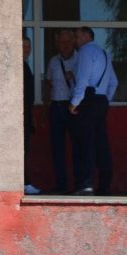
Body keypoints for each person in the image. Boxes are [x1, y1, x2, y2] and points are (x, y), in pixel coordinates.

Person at [69, 26, 118, 196]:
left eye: (76, 36)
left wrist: (74, 102)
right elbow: (114, 82)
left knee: (86, 143)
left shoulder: (85, 52)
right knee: (101, 144)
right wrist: (104, 99)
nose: (75, 40)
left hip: (88, 100)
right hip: (101, 100)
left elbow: (82, 79)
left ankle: (86, 184)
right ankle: (104, 185)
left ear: (86, 36)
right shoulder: (104, 53)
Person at [44, 29, 77, 194]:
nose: (65, 45)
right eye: (62, 42)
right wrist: (45, 107)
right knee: (57, 149)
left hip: (75, 109)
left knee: (78, 147)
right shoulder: (53, 61)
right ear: (57, 44)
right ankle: (61, 185)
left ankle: (80, 185)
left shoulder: (81, 59)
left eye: (68, 42)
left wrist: (74, 76)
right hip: (56, 108)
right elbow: (48, 84)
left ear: (74, 42)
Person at [23, 36, 41, 194]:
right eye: (23, 46)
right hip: (18, 116)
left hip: (26, 115)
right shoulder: (18, 67)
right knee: (20, 150)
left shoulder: (26, 67)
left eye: (29, 46)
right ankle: (24, 182)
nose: (27, 49)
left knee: (25, 149)